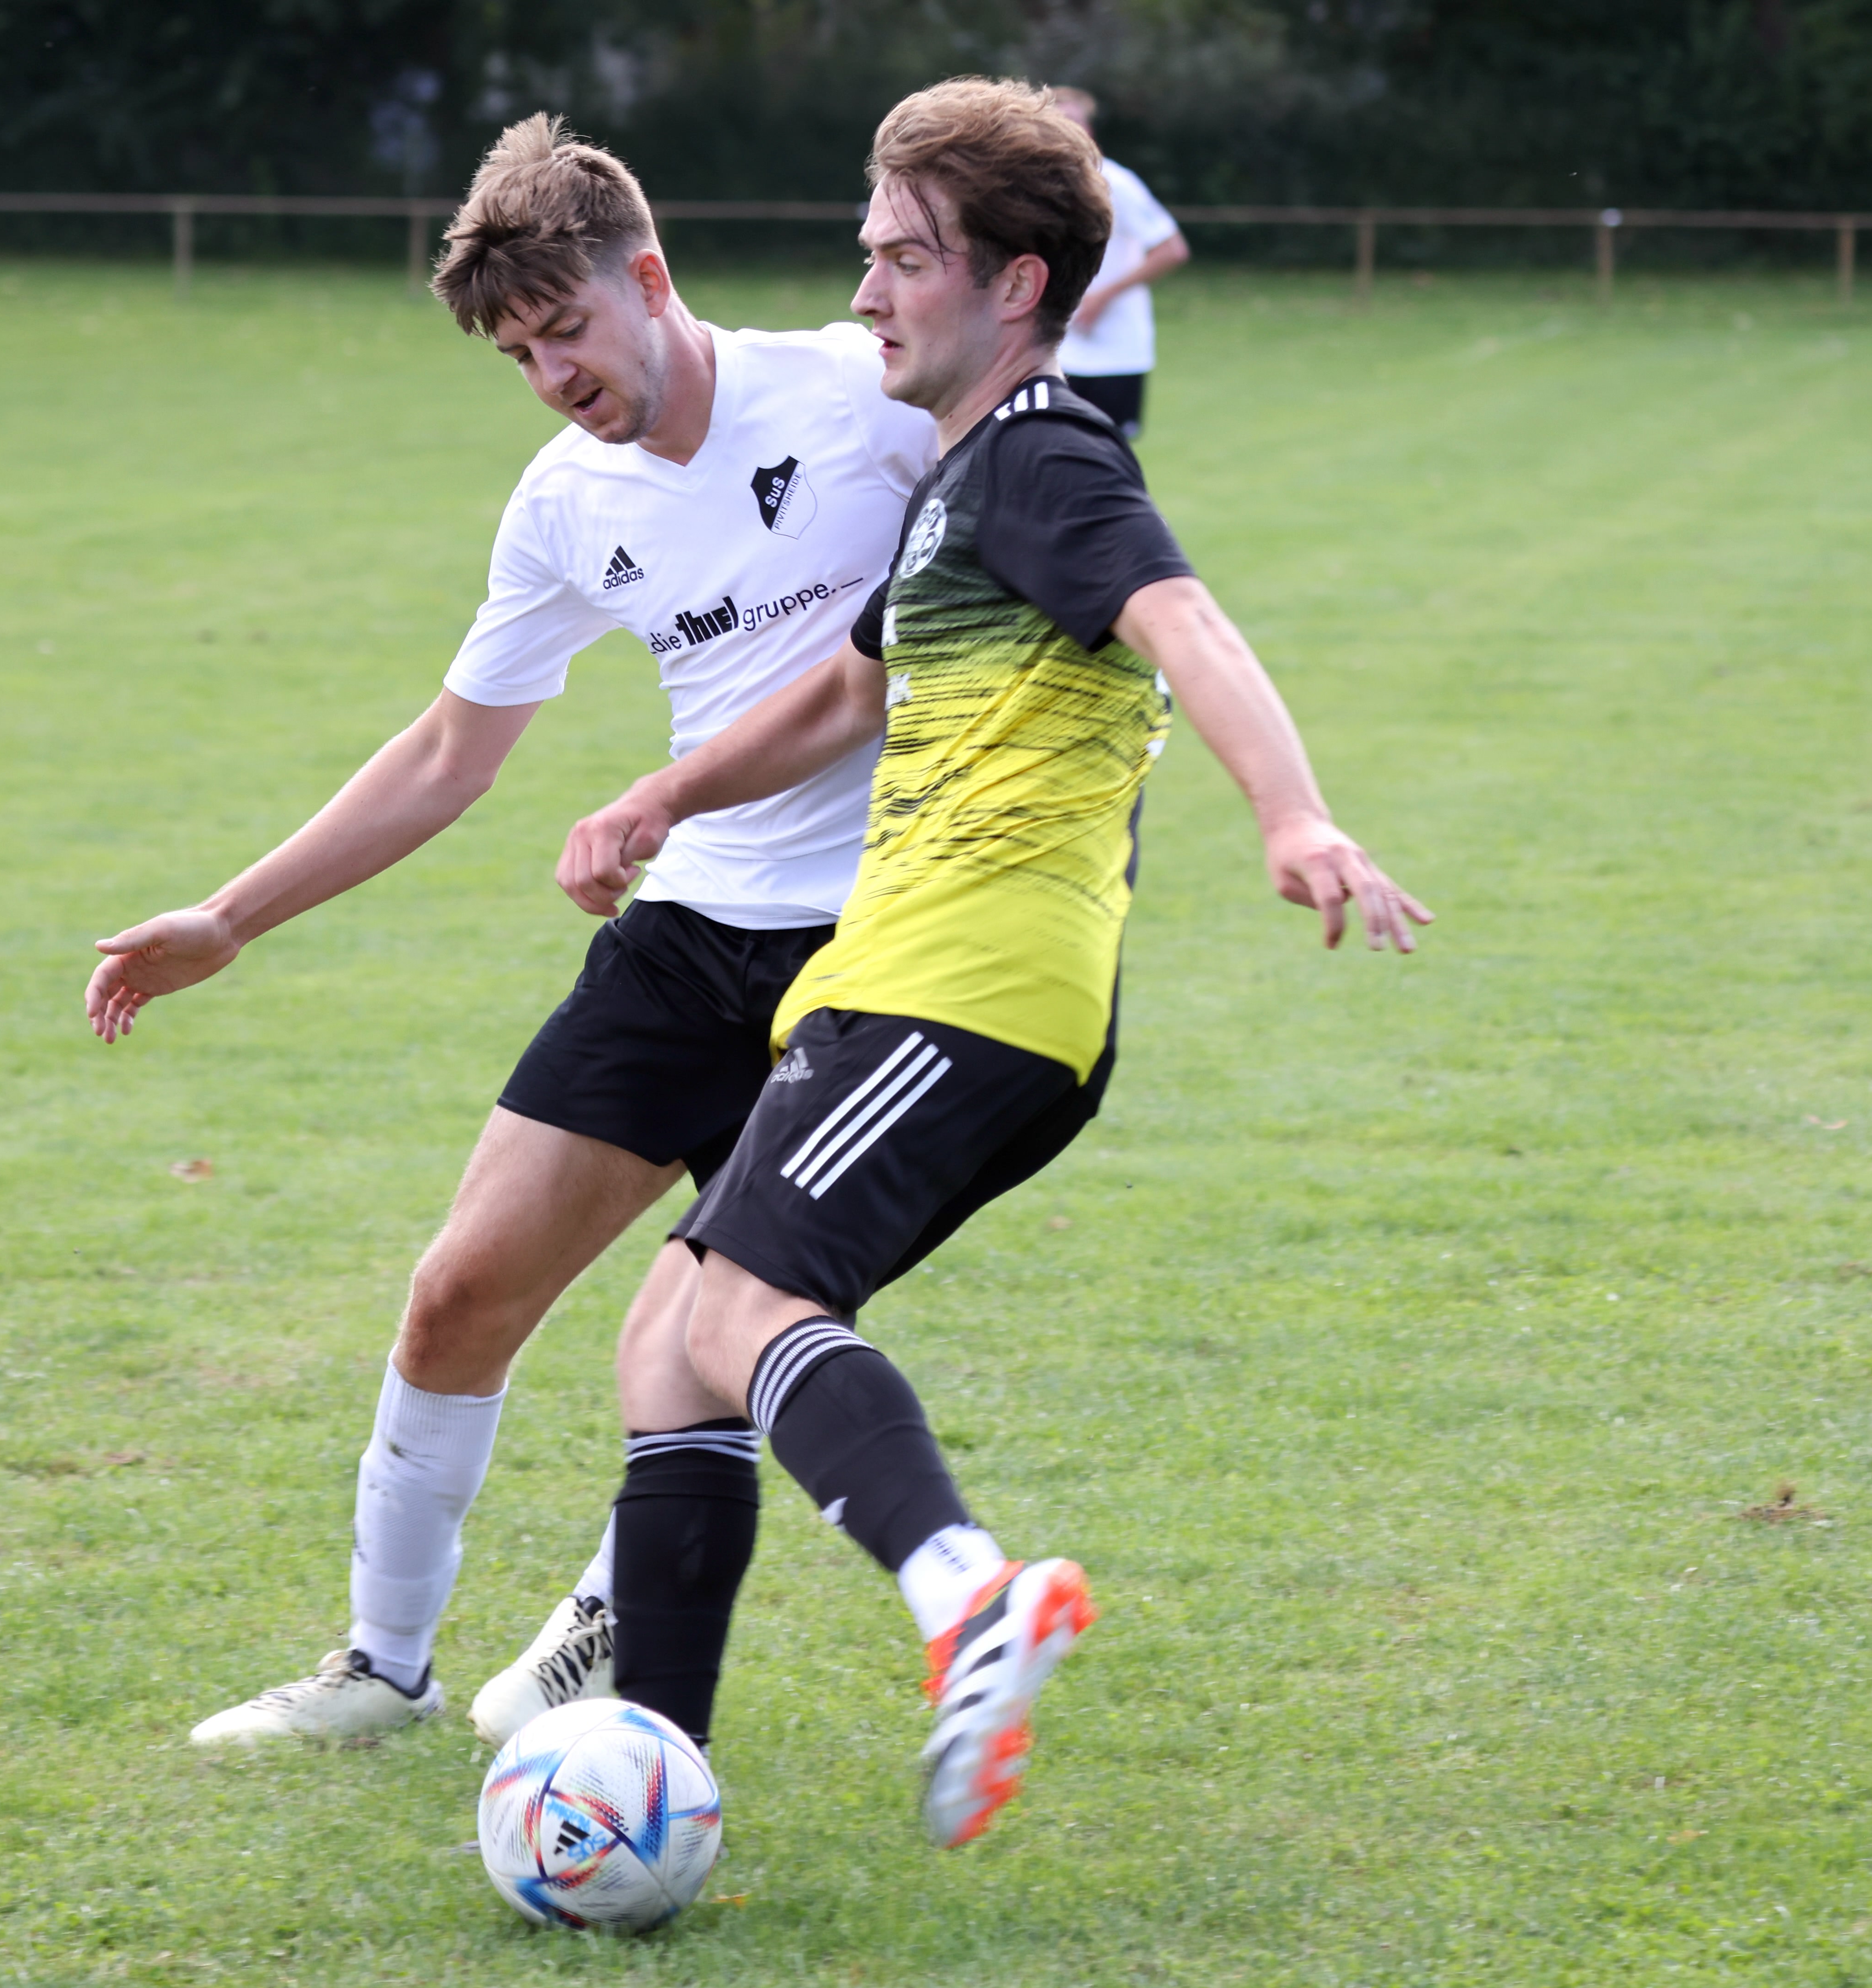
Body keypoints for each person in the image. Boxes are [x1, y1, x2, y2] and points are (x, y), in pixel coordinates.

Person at [555, 76, 1431, 1848]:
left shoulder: (1044, 454)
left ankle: (968, 1596)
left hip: (968, 983)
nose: (865, 291)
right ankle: (651, 1770)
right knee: (670, 1343)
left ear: (1014, 285)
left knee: (738, 1309)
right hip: (909, 979)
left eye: (902, 258)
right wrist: (664, 792)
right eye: (867, 252)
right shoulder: (960, 478)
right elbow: (848, 694)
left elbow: (1181, 616)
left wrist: (1293, 814)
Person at [82, 113, 936, 1751]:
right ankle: (378, 1668)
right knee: (458, 1292)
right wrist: (231, 917)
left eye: (566, 330)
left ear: (649, 279)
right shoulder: (563, 502)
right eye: (517, 355)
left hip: (880, 948)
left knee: (722, 1325)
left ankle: (611, 1612)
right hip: (691, 929)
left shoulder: (858, 396)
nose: (551, 376)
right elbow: (447, 756)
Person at [1048, 87, 1186, 438]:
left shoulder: (1116, 184)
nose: (1065, 129)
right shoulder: (1039, 189)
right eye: (1055, 122)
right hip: (1055, 353)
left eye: (1073, 121)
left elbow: (1172, 250)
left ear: (1089, 131)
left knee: (1104, 457)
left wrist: (1102, 297)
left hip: (1114, 355)